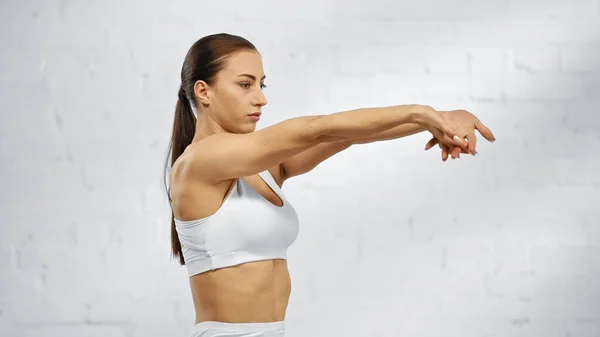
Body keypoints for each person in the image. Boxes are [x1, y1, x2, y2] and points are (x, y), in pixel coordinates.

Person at [164, 33, 495, 337]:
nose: (260, 99)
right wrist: (422, 113)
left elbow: (344, 136)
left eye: (262, 85)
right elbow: (316, 129)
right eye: (245, 85)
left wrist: (441, 121)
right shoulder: (199, 162)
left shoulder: (263, 168)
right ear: (203, 91)